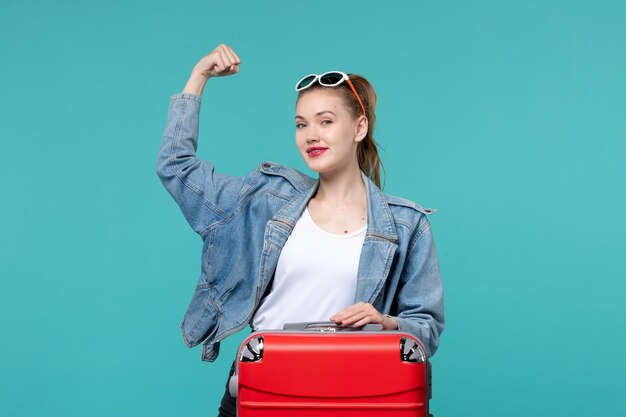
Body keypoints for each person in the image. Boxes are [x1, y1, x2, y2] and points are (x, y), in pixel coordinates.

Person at [157, 44, 445, 417]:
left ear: (359, 127)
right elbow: (176, 168)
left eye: (326, 121)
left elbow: (426, 328)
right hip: (266, 392)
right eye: (301, 124)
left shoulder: (407, 225)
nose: (311, 134)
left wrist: (387, 323)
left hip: (358, 397)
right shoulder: (265, 199)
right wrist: (199, 77)